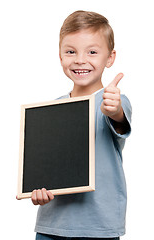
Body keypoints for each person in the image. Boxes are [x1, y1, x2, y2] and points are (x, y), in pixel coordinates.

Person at [31, 10, 132, 240]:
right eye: (70, 51)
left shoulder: (113, 100)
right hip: (51, 226)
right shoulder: (52, 110)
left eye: (92, 52)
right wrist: (37, 189)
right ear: (60, 57)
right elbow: (45, 165)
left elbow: (119, 118)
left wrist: (113, 109)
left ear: (110, 58)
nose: (80, 60)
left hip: (98, 228)